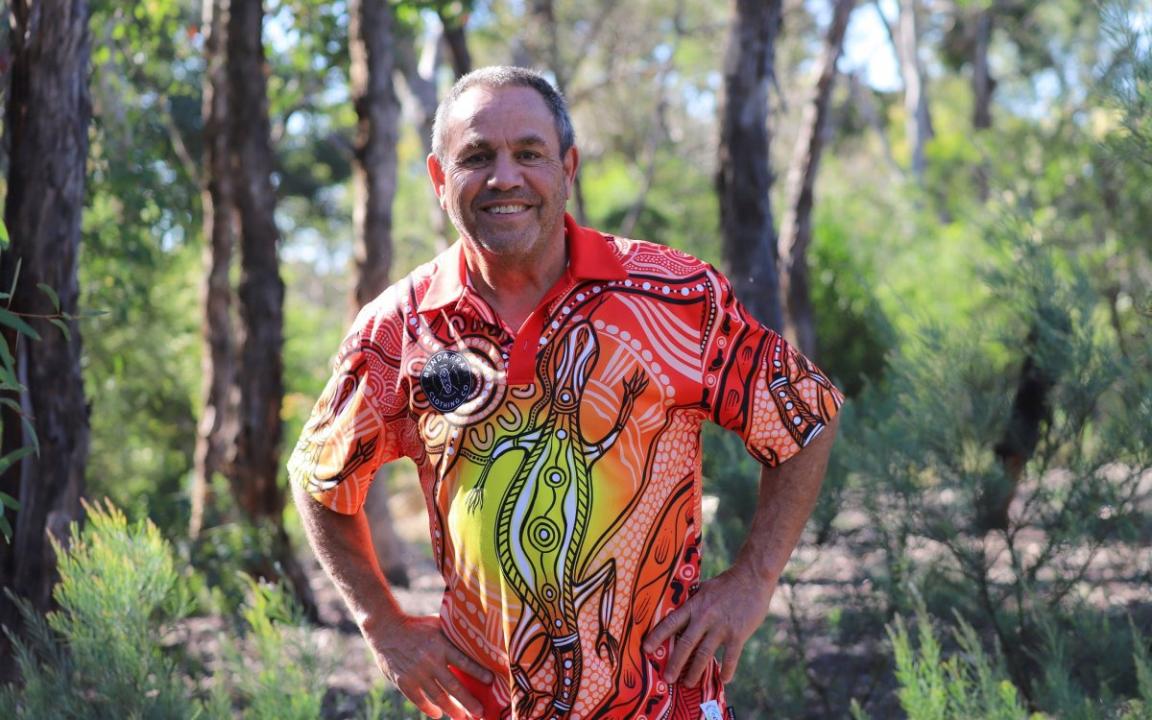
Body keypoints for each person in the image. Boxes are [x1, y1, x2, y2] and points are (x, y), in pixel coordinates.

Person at [289, 66, 842, 720]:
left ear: (568, 168)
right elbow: (317, 476)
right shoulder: (399, 327)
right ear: (439, 179)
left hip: (663, 702)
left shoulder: (674, 296)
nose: (504, 178)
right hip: (487, 705)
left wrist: (753, 580)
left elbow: (805, 416)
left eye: (529, 153)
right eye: (476, 157)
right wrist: (380, 623)